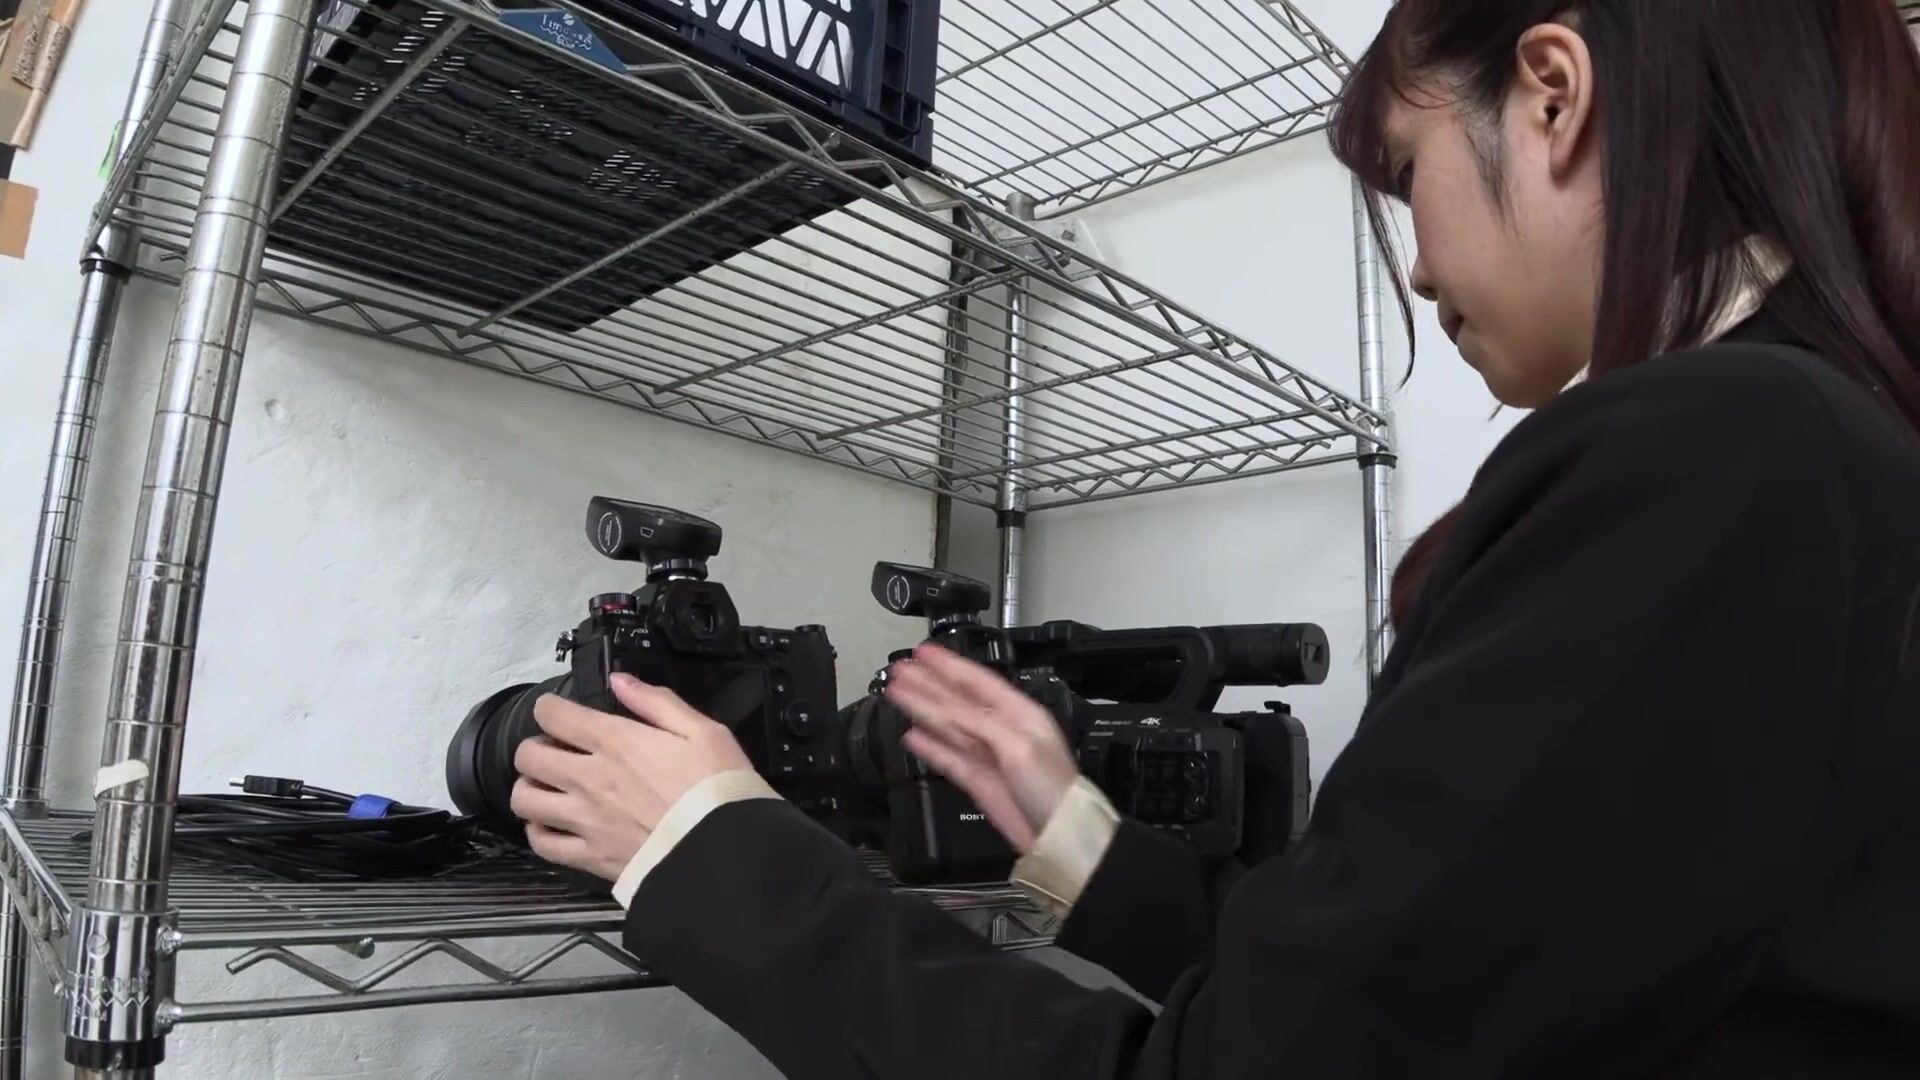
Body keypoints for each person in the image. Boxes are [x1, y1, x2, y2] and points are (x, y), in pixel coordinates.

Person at [504, 2, 1920, 1076]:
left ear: (1554, 93)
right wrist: (1071, 833)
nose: (1419, 262)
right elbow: (1403, 994)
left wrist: (711, 855)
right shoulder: (1813, 452)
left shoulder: (1723, 454)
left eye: (1408, 171)